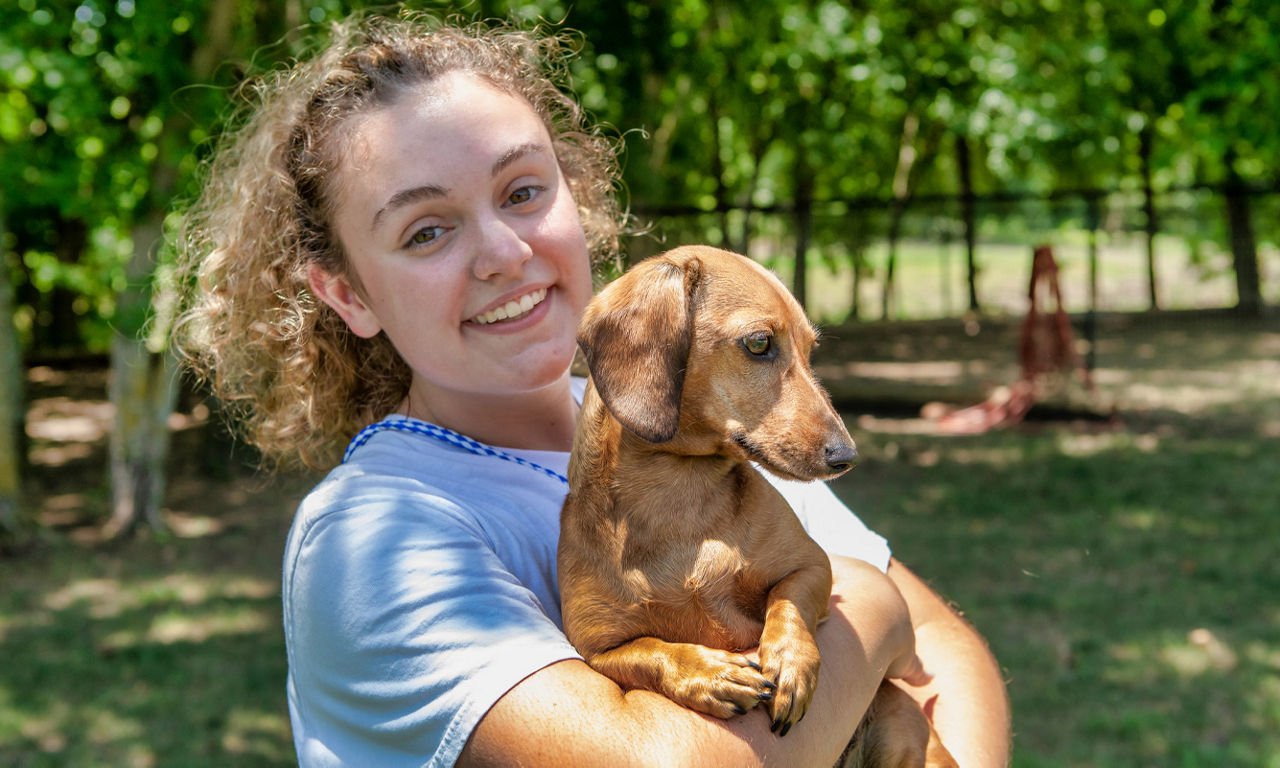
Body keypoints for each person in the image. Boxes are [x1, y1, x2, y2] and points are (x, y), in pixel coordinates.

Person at [175, 12, 1010, 767]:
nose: (503, 252)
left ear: (579, 199)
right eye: (426, 230)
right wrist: (870, 603)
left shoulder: (699, 428)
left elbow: (946, 653)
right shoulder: (374, 536)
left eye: (524, 191)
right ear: (347, 294)